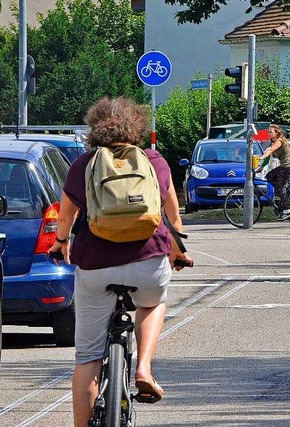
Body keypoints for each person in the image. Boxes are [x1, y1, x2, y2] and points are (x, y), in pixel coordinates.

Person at [47, 97, 193, 427]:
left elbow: (66, 217)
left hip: (96, 265)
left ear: (94, 129)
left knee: (87, 357)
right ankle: (143, 368)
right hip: (147, 260)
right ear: (137, 126)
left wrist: (60, 245)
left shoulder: (83, 165)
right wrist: (178, 251)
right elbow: (173, 216)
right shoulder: (154, 161)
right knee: (152, 303)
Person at [258, 124, 290, 220]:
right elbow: (269, 156)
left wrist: (259, 158)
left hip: (289, 166)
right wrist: (262, 166)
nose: (269, 133)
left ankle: (286, 211)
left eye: (271, 132)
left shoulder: (279, 141)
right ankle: (281, 191)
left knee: (280, 188)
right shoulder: (273, 142)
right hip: (284, 166)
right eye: (268, 131)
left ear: (277, 133)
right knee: (269, 176)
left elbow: (270, 151)